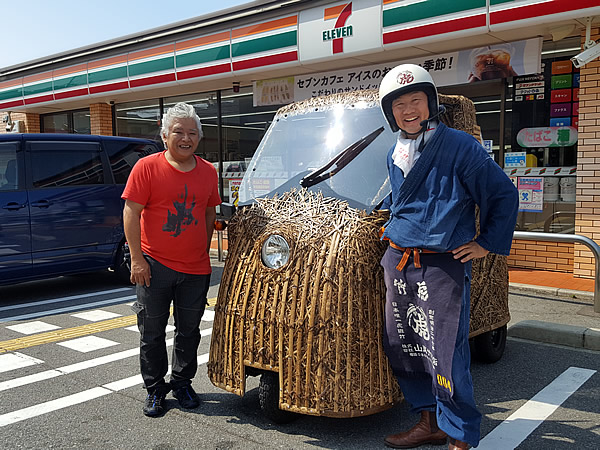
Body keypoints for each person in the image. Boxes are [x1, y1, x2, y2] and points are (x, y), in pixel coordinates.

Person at [377, 64, 518, 449]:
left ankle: (458, 434)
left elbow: (503, 194)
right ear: (391, 113)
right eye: (400, 104)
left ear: (431, 103)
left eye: (416, 101)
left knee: (445, 352)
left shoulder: (460, 145)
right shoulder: (396, 151)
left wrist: (485, 242)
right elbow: (402, 200)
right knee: (405, 344)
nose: (409, 110)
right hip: (401, 260)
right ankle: (428, 421)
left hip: (442, 264)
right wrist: (389, 223)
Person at [122, 102, 221, 417]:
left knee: (189, 330)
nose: (186, 138)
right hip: (155, 265)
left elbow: (209, 212)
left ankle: (182, 382)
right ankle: (154, 389)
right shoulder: (147, 167)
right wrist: (137, 260)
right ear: (165, 135)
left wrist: (202, 251)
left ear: (199, 138)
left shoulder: (208, 171)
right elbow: (131, 212)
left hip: (195, 269)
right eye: (178, 131)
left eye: (192, 133)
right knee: (151, 331)